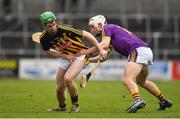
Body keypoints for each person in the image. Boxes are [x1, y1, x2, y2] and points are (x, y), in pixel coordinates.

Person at [76, 15, 173, 113]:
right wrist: (89, 60)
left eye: (93, 26)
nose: (91, 30)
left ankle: (138, 100)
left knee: (127, 79)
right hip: (146, 52)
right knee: (141, 82)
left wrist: (86, 51)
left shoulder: (107, 28)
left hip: (137, 51)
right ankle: (163, 101)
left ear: (100, 25)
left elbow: (103, 45)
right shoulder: (108, 36)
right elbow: (105, 56)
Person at [39, 11, 106, 113]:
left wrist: (100, 49)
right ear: (44, 26)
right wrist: (65, 56)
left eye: (54, 24)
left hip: (80, 54)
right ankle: (62, 107)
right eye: (49, 26)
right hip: (65, 56)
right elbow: (48, 51)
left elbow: (87, 35)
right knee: (59, 89)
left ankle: (75, 105)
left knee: (68, 78)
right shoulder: (43, 38)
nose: (53, 27)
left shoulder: (66, 29)